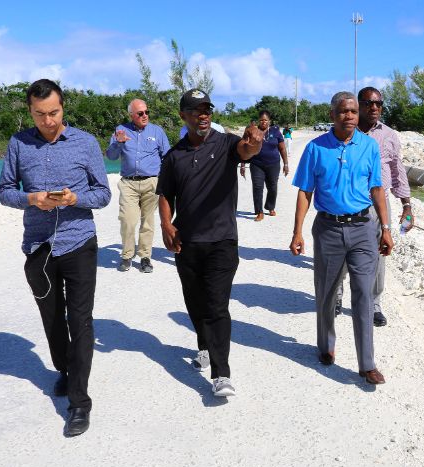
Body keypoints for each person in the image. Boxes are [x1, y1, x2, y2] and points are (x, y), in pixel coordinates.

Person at [0, 79, 111, 436]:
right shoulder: (18, 144)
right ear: (30, 111)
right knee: (52, 318)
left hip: (78, 242)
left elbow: (104, 193)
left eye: (54, 113)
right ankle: (64, 369)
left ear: (64, 108)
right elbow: (3, 191)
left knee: (81, 321)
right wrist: (30, 199)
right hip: (38, 247)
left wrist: (76, 199)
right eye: (40, 114)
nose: (48, 120)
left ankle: (79, 402)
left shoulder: (85, 142)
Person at [157, 89, 263, 397]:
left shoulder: (227, 142)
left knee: (217, 305)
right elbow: (165, 194)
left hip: (222, 241)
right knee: (195, 301)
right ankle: (204, 344)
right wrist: (166, 224)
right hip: (187, 243)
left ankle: (221, 374)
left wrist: (254, 144)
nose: (203, 115)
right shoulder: (174, 155)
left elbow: (245, 150)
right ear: (184, 116)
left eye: (207, 109)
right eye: (196, 110)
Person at [289, 91, 394, 385]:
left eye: (353, 111)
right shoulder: (315, 148)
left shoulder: (369, 147)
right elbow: (304, 192)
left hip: (363, 229)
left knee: (363, 294)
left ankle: (367, 364)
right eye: (343, 111)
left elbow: (377, 190)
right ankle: (326, 346)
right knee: (325, 292)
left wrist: (385, 229)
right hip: (328, 230)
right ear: (333, 115)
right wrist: (297, 231)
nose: (349, 116)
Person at [335, 86, 414, 327]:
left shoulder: (389, 135)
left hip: (379, 205)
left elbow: (396, 170)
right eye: (369, 103)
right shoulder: (346, 131)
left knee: (381, 253)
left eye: (379, 103)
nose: (375, 108)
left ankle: (374, 302)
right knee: (343, 251)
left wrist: (407, 205)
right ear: (359, 105)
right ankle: (336, 296)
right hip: (348, 202)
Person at [105, 99, 170, 273]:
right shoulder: (121, 130)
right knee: (127, 219)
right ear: (131, 115)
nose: (145, 116)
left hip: (151, 182)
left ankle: (145, 257)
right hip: (129, 183)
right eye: (140, 113)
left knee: (148, 221)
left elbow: (168, 157)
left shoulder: (157, 131)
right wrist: (118, 143)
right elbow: (110, 156)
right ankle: (127, 255)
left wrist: (165, 180)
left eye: (146, 112)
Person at [239, 110, 289, 221]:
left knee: (272, 187)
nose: (263, 122)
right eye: (261, 120)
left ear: (269, 121)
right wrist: (242, 165)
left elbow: (282, 148)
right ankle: (259, 212)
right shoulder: (252, 131)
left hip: (273, 164)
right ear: (258, 121)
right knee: (257, 187)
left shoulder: (275, 131)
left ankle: (270, 207)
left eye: (265, 120)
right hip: (257, 164)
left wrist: (286, 164)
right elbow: (244, 148)